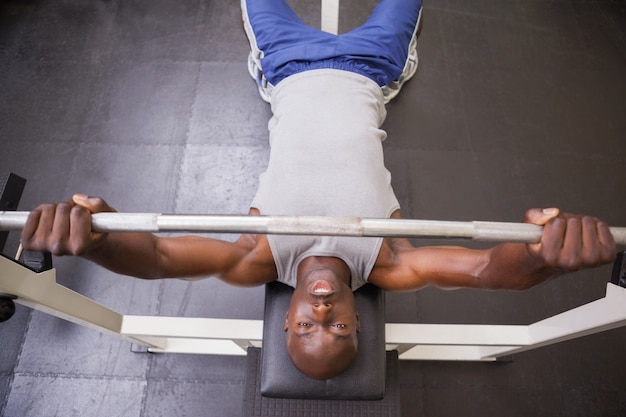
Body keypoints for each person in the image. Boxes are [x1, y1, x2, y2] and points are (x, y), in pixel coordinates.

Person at [20, 0, 616, 380]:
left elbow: (159, 255)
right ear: (362, 320)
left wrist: (96, 242)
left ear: (287, 323)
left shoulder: (259, 258)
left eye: (307, 326)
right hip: (371, 69)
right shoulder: (387, 263)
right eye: (338, 327)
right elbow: (487, 269)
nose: (323, 314)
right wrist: (545, 257)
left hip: (285, 67)